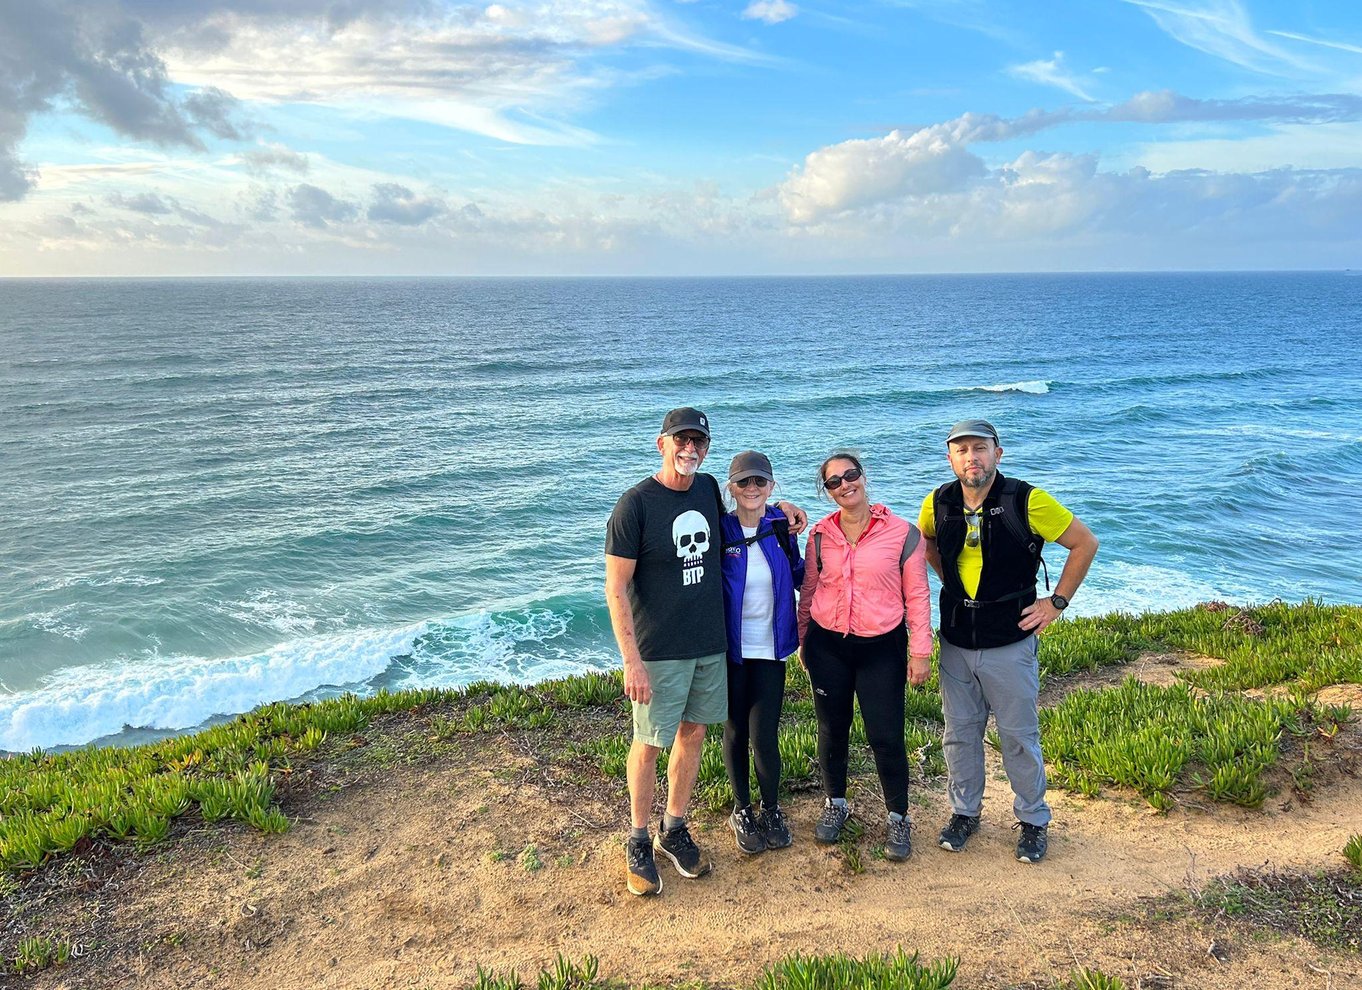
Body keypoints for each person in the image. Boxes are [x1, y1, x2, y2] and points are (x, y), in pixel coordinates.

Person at [604, 408, 806, 897]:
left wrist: (787, 510)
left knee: (692, 736)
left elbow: (747, 519)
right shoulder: (635, 505)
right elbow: (615, 587)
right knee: (649, 743)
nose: (690, 449)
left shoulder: (708, 488)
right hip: (660, 650)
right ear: (662, 444)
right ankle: (637, 839)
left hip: (710, 645)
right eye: (681, 440)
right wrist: (631, 660)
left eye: (699, 441)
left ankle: (673, 828)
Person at [918, 419, 1099, 864]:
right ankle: (964, 813)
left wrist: (1056, 603)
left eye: (980, 448)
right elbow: (925, 541)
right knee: (959, 735)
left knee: (1018, 737)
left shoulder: (1027, 499)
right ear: (950, 459)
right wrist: (952, 582)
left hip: (1010, 643)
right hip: (957, 640)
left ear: (998, 453)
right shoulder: (938, 501)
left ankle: (1033, 820)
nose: (971, 458)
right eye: (961, 451)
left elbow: (1085, 543)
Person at [796, 452, 932, 861]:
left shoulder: (903, 533)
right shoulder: (820, 535)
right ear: (827, 491)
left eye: (850, 475)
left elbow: (918, 596)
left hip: (881, 648)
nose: (844, 485)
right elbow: (809, 591)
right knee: (832, 730)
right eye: (834, 482)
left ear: (863, 475)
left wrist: (920, 651)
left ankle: (899, 818)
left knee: (885, 736)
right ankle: (835, 804)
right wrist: (804, 640)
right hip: (828, 646)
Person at [718, 451, 805, 854]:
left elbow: (803, 574)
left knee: (764, 734)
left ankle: (771, 809)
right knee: (735, 731)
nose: (751, 489)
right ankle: (742, 809)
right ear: (730, 487)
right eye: (743, 482)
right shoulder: (718, 529)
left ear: (771, 486)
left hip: (771, 648)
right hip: (732, 652)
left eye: (760, 482)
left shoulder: (781, 527)